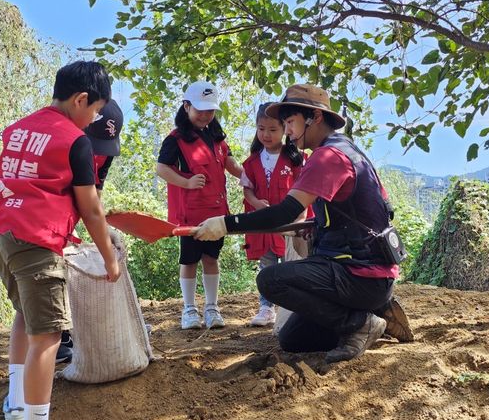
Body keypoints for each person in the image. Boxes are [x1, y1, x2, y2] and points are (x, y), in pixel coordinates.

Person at [195, 83, 404, 363]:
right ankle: (375, 313)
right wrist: (316, 224)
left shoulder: (328, 157)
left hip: (360, 274)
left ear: (314, 117)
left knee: (270, 280)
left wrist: (225, 224)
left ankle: (360, 323)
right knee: (293, 340)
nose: (287, 131)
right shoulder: (346, 149)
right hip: (365, 274)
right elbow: (345, 213)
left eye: (290, 122)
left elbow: (283, 213)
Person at [0, 60, 121, 420]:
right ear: (81, 100)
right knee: (49, 336)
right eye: (94, 110)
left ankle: (18, 405)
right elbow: (91, 208)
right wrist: (110, 259)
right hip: (36, 238)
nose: (93, 119)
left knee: (25, 315)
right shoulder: (76, 141)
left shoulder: (18, 128)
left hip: (0, 232)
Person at [156, 81, 243, 330]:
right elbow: (161, 169)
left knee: (211, 258)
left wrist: (246, 176)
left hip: (216, 211)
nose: (205, 115)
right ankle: (189, 309)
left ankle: (212, 308)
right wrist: (187, 181)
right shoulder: (175, 139)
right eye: (200, 109)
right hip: (191, 213)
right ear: (186, 106)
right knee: (190, 260)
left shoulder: (216, 136)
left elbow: (228, 160)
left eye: (210, 110)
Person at [55, 98, 124, 365]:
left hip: (72, 216)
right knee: (51, 275)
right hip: (51, 217)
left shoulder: (105, 153)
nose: (99, 152)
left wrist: (103, 230)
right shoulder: (64, 142)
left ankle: (68, 333)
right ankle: (59, 337)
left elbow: (95, 196)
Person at [242, 103, 306, 326]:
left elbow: (306, 190)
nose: (266, 135)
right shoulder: (252, 161)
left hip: (291, 224)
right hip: (264, 225)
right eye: (261, 129)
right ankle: (266, 307)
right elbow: (247, 189)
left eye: (272, 129)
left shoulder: (297, 159)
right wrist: (256, 203)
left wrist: (300, 218)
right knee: (267, 265)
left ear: (285, 130)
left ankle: (292, 309)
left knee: (291, 266)